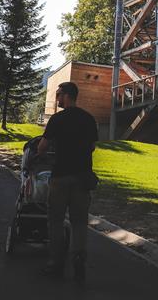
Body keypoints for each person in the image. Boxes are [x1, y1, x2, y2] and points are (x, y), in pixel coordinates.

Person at [38, 82, 98, 282]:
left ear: (66, 95)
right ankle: (79, 259)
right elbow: (92, 147)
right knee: (79, 222)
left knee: (55, 221)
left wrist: (44, 153)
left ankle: (55, 263)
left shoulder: (57, 119)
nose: (57, 98)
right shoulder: (88, 119)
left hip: (61, 177)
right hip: (82, 178)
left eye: (58, 95)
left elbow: (42, 147)